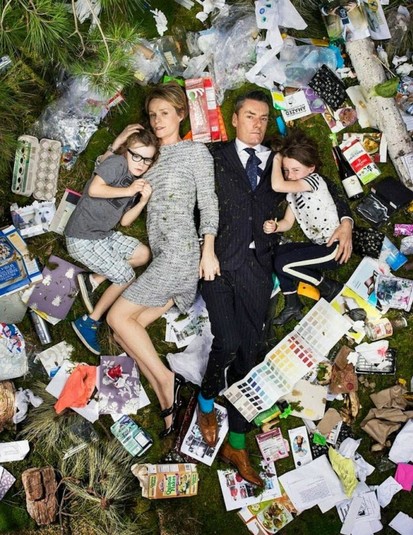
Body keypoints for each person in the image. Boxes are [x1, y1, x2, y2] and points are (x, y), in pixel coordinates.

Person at [196, 92, 353, 488]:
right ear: (235, 119)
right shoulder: (213, 155)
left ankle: (236, 444)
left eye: (264, 118)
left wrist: (346, 222)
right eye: (250, 116)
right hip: (217, 261)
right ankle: (206, 399)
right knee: (227, 341)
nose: (258, 124)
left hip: (258, 267)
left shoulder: (279, 162)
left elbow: (329, 187)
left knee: (251, 355)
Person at [106, 82, 219, 437]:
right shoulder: (147, 157)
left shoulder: (195, 152)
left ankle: (167, 380)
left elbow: (209, 204)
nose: (157, 120)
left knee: (116, 316)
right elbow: (107, 175)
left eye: (164, 113)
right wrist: (118, 143)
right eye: (152, 115)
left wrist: (208, 250)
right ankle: (166, 399)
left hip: (181, 253)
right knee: (123, 332)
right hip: (163, 255)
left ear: (181, 114)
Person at [65, 129, 159, 354]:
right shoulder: (117, 164)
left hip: (103, 236)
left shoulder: (134, 181)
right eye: (136, 156)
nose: (141, 163)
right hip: (82, 238)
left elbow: (125, 221)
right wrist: (128, 190)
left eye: (147, 160)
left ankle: (93, 281)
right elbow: (94, 189)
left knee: (143, 254)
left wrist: (142, 201)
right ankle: (90, 321)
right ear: (127, 152)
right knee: (126, 276)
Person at [263, 130, 353, 325]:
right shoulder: (293, 194)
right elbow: (288, 223)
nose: (290, 175)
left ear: (311, 168)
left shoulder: (314, 181)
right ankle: (292, 303)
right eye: (286, 170)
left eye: (295, 170)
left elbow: (277, 186)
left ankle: (328, 287)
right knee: (277, 254)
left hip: (334, 247)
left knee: (283, 264)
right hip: (319, 245)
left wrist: (277, 158)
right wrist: (275, 226)